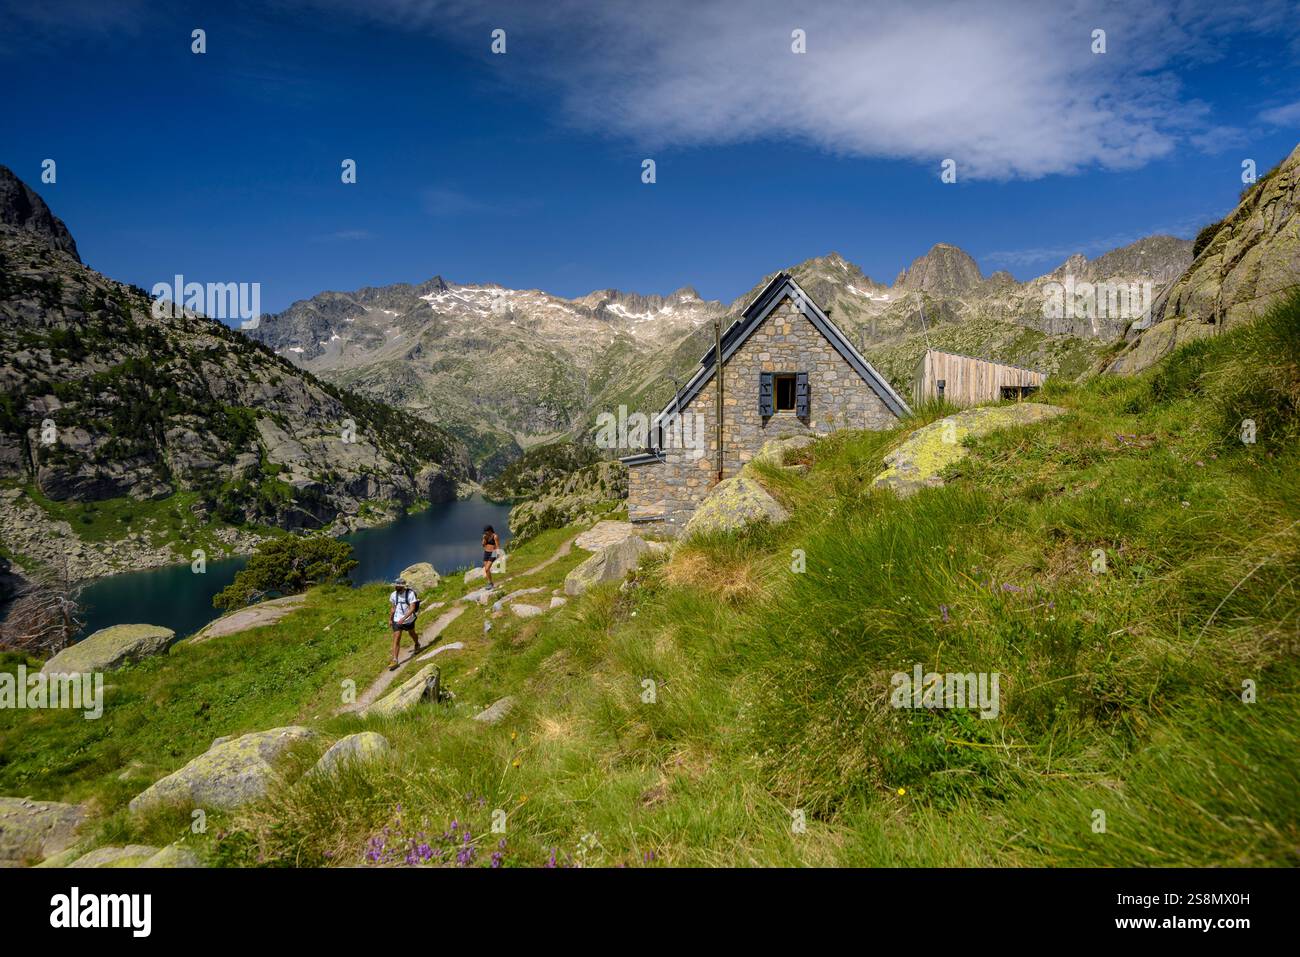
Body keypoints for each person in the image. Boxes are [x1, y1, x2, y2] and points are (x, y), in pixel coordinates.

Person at [388, 576, 421, 670]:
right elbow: (393, 608)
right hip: (397, 620)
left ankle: (417, 644)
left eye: (398, 586)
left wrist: (404, 618)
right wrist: (390, 619)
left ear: (403, 586)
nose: (396, 587)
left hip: (408, 619)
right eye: (395, 586)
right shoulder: (393, 595)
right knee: (396, 638)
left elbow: (412, 608)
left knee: (412, 633)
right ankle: (395, 660)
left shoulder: (410, 594)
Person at [482, 525, 501, 591]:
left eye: (486, 532)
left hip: (493, 553)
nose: (485, 533)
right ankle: (490, 583)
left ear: (490, 530)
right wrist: (484, 539)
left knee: (487, 568)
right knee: (486, 569)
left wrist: (499, 555)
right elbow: (483, 545)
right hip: (486, 553)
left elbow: (498, 546)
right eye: (484, 532)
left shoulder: (495, 536)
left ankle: (490, 584)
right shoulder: (485, 536)